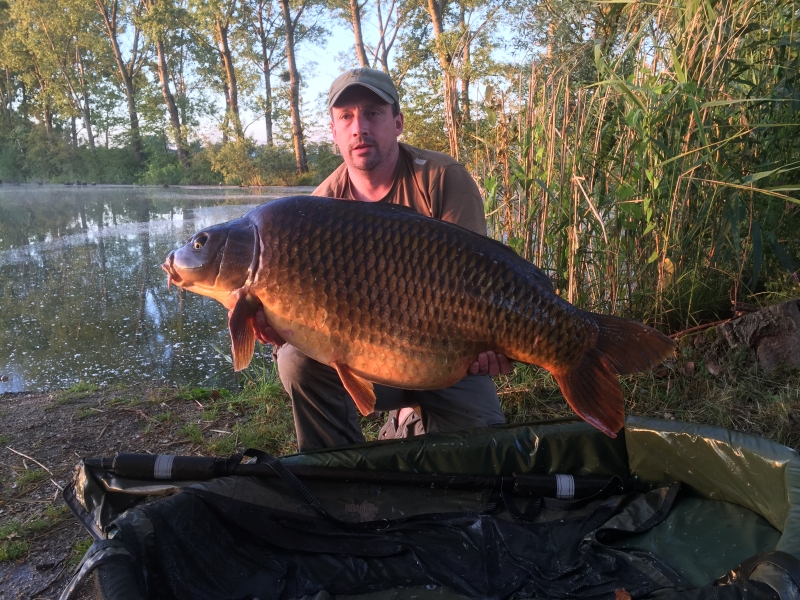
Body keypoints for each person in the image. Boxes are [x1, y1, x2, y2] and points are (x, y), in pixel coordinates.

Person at [254, 67, 512, 451]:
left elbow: (479, 282)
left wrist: (493, 344)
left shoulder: (443, 178)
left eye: (372, 113)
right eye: (346, 117)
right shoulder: (316, 210)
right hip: (368, 361)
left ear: (397, 122)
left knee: (482, 462)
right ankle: (339, 476)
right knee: (295, 360)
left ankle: (411, 418)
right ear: (335, 132)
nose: (359, 127)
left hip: (449, 356)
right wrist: (277, 326)